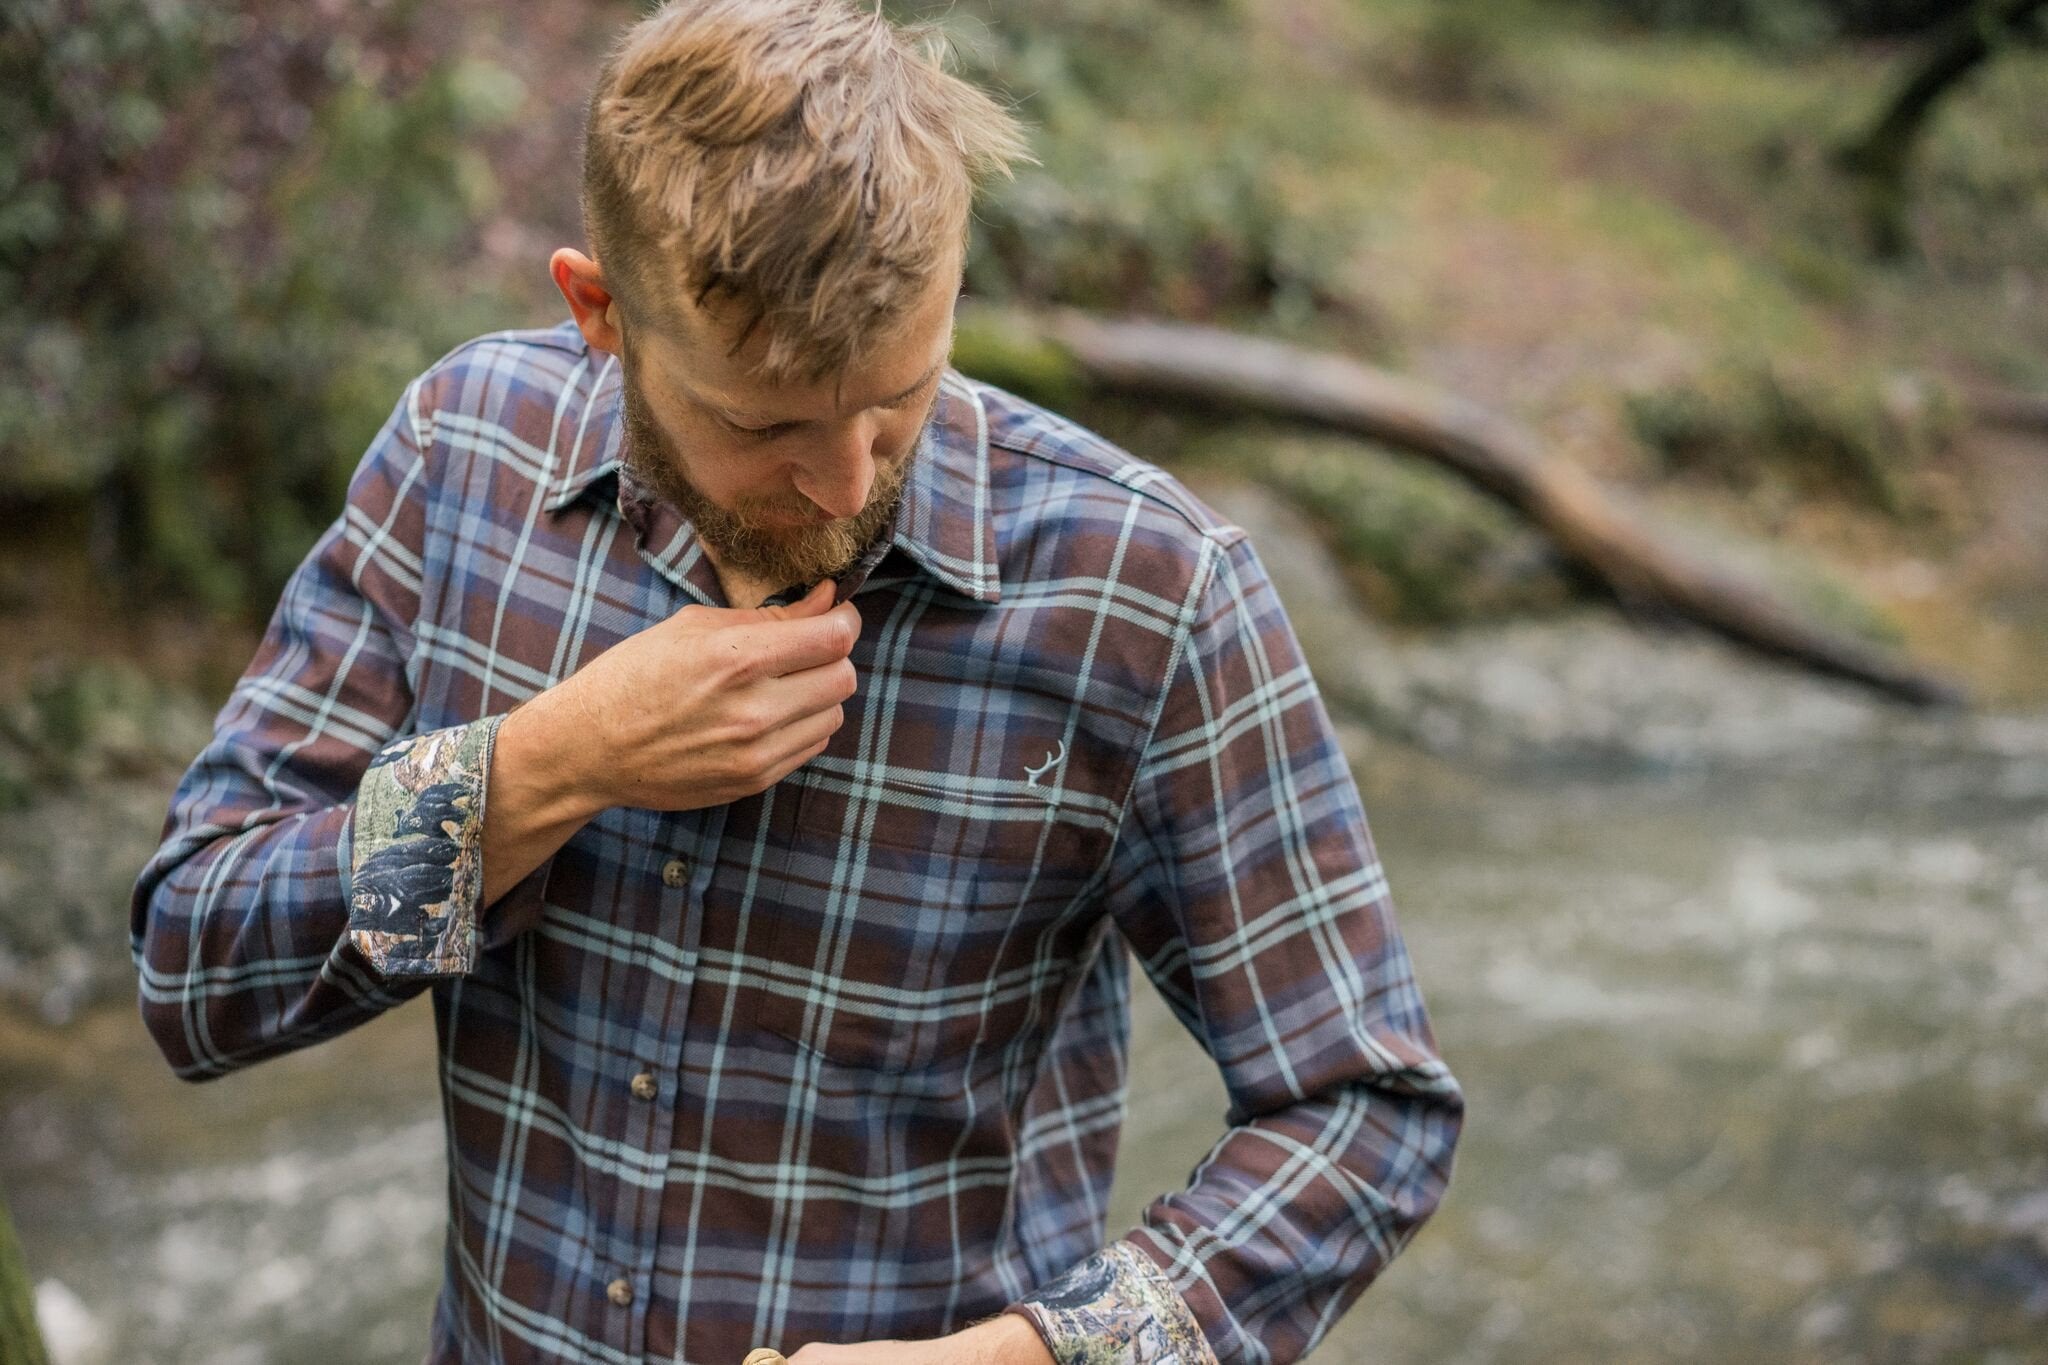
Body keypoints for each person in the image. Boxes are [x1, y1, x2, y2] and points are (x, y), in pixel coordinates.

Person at [130, 1, 1464, 1361]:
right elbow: (193, 967)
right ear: (600, 310)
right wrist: (543, 769)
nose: (842, 481)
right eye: (763, 423)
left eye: (903, 398)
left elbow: (1365, 1111)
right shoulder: (466, 459)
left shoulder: (1147, 588)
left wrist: (1032, 1357)